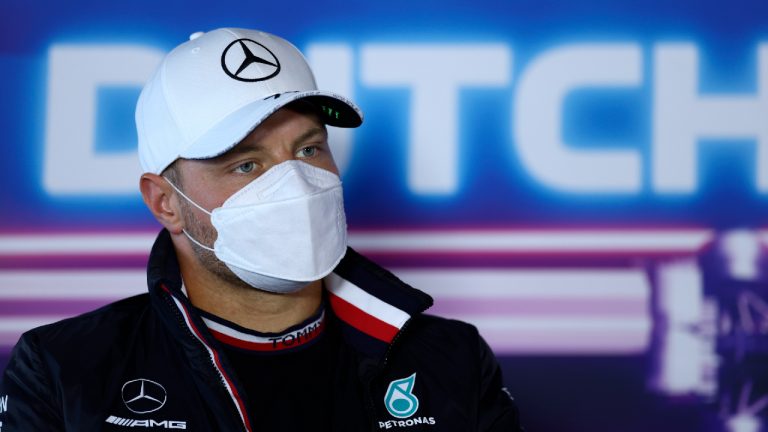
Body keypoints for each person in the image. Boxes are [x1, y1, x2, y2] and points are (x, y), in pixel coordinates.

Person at [0, 27, 522, 431]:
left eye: (308, 149)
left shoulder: (450, 359)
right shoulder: (65, 369)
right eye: (245, 165)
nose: (294, 183)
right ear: (165, 203)